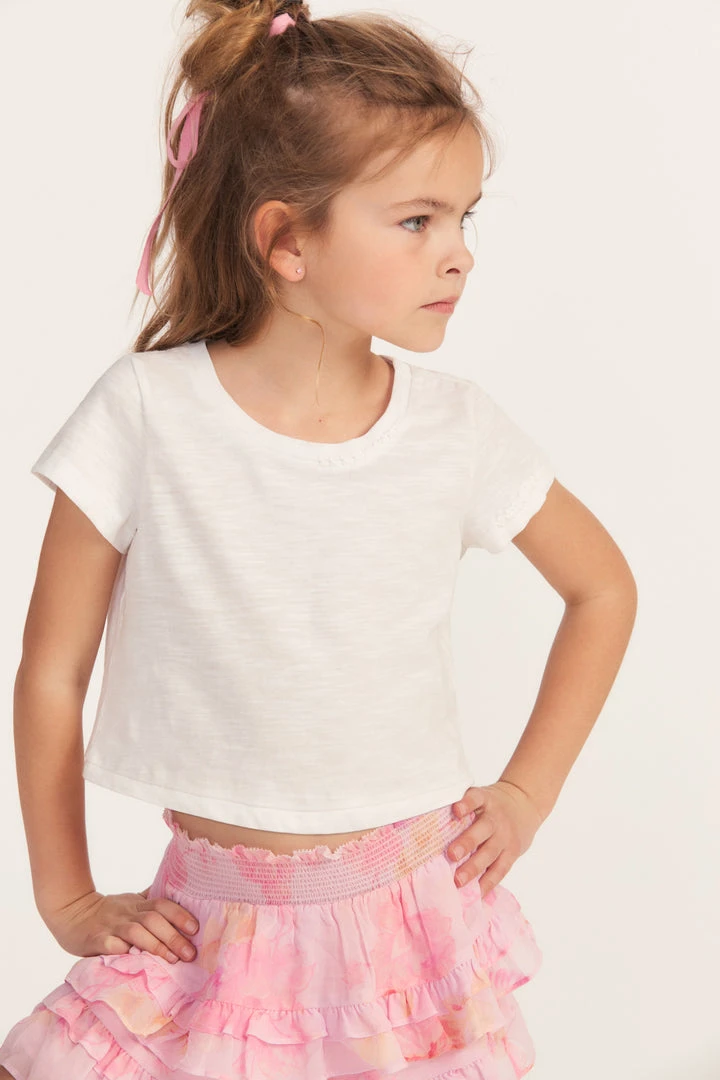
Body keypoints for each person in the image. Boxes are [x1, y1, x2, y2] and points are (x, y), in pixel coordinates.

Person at [0, 1, 638, 1078]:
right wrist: (64, 895)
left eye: (466, 218)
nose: (460, 256)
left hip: (408, 940)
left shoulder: (456, 429)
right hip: (203, 937)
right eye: (418, 221)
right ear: (286, 240)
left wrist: (526, 794)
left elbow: (604, 591)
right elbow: (51, 669)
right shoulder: (146, 413)